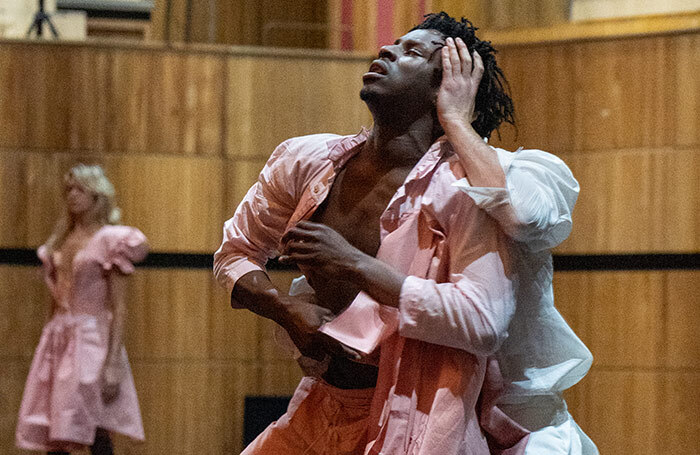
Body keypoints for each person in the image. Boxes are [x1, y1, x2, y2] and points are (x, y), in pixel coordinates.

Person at [215, 12, 595, 454]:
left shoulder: (476, 182)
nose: (387, 50)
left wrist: (456, 120)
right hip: (329, 403)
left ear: (449, 83)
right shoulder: (306, 161)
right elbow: (235, 251)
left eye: (412, 52)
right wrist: (283, 308)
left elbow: (484, 317)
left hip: (443, 413)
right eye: (393, 44)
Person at [16, 165, 147, 455]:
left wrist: (113, 364)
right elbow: (56, 300)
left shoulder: (111, 240)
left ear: (97, 195)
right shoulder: (62, 240)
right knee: (57, 429)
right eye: (69, 190)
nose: (73, 195)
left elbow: (120, 307)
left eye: (81, 189)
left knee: (94, 427)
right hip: (59, 339)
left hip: (91, 341)